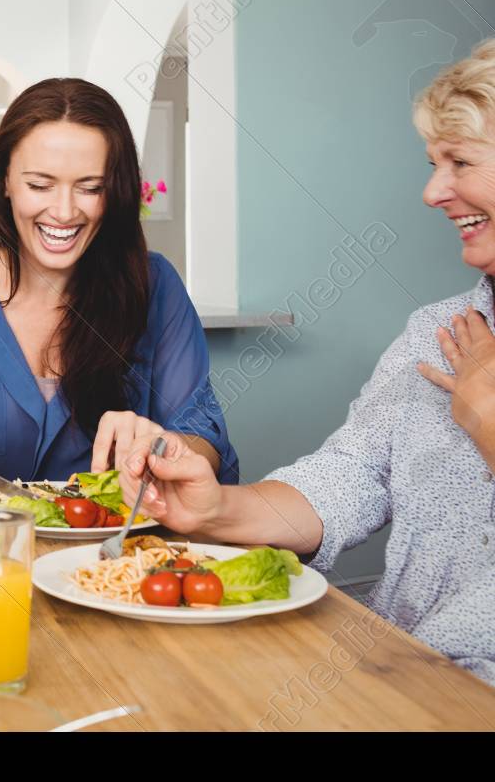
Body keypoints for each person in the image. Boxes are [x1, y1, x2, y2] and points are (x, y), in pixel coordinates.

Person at [119, 40, 495, 686]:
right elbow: (351, 472)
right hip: (390, 670)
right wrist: (216, 510)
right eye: (433, 163)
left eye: (459, 161)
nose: (433, 191)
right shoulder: (437, 331)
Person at [0, 77, 238, 500]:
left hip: (103, 562)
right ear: (3, 180)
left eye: (90, 188)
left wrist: (164, 445)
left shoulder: (155, 285)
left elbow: (204, 441)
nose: (64, 212)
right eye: (40, 185)